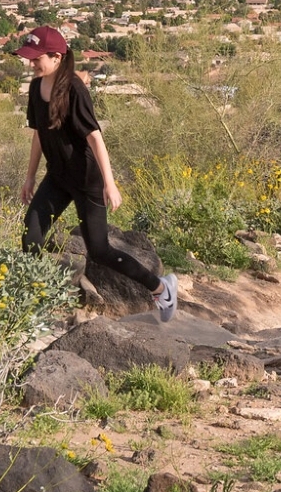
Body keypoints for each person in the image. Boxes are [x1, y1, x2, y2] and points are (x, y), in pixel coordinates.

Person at [15, 25, 178, 321]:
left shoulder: (75, 90)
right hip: (58, 177)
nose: (31, 63)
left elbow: (94, 137)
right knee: (31, 237)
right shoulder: (36, 90)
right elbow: (38, 134)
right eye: (29, 57)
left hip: (87, 179)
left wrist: (110, 183)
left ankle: (160, 289)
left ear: (56, 56)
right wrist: (29, 178)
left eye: (36, 58)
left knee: (99, 250)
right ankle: (33, 302)